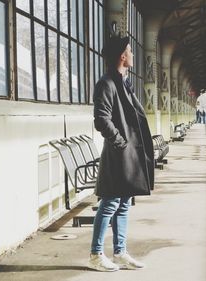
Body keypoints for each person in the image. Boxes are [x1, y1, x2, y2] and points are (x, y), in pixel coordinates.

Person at [89, 34, 154, 272]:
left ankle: (120, 252)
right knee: (110, 203)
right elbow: (101, 119)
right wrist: (121, 143)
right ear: (122, 56)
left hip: (127, 153)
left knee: (124, 202)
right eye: (131, 51)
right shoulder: (106, 84)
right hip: (119, 154)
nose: (134, 55)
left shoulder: (122, 82)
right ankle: (96, 254)